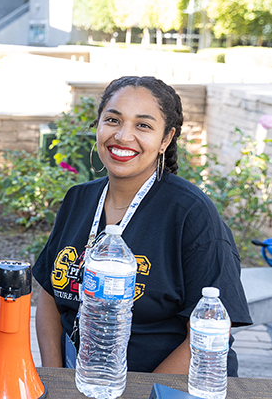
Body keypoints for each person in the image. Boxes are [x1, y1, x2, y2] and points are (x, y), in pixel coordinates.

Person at [32, 76, 252, 375]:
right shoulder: (78, 199)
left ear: (165, 139)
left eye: (143, 125)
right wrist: (56, 378)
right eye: (113, 120)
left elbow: (210, 333)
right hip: (81, 377)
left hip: (169, 385)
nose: (122, 136)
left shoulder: (190, 214)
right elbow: (47, 293)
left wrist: (142, 394)